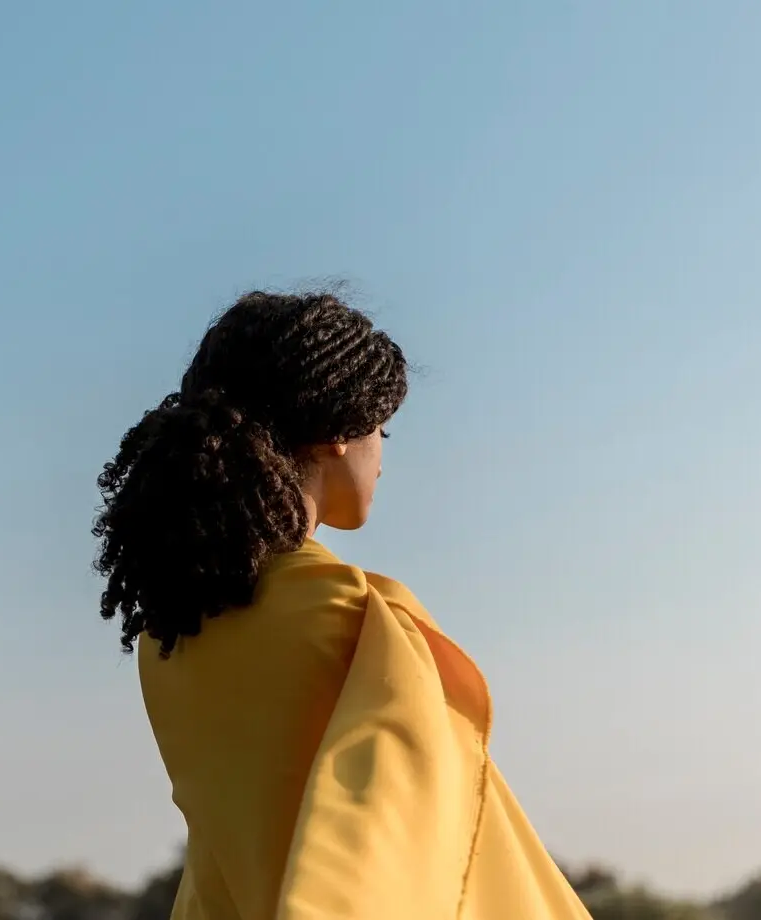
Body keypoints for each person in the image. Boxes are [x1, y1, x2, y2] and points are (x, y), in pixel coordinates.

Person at [93, 290, 592, 919]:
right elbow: (421, 843)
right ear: (338, 432)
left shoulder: (171, 631)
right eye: (382, 429)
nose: (382, 458)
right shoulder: (353, 616)